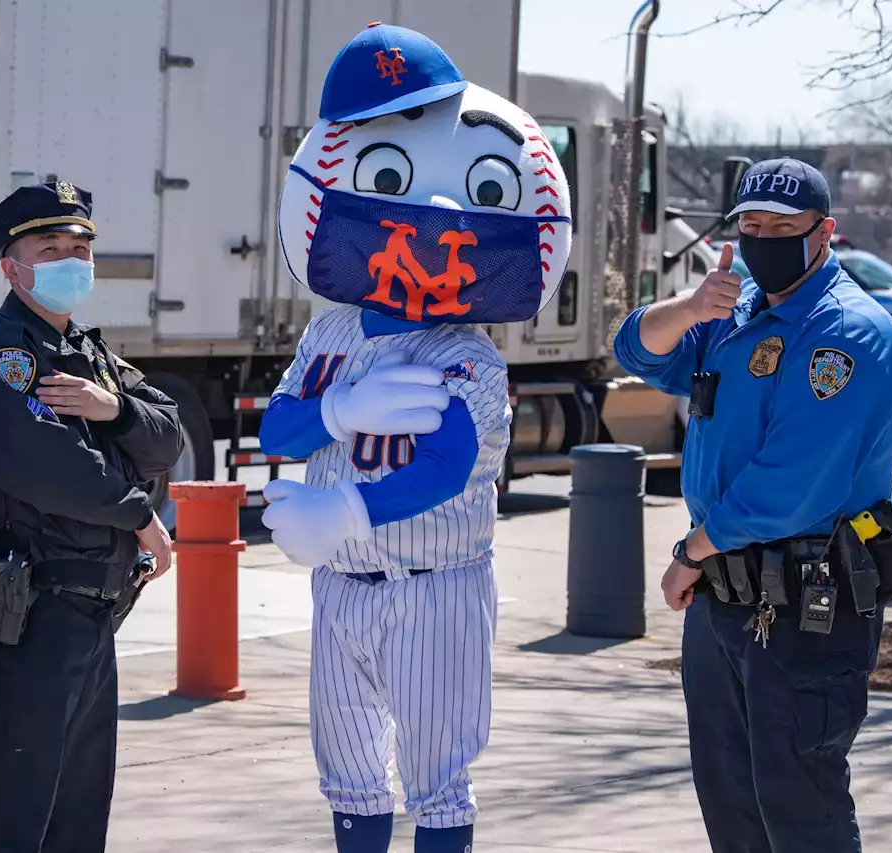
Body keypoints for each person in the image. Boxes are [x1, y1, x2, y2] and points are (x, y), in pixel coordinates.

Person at [258, 23, 573, 853]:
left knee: (437, 778)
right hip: (343, 585)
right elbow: (276, 426)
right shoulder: (329, 333)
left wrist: (351, 510)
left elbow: (451, 463)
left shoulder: (467, 351)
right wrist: (336, 412)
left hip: (435, 583)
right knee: (349, 764)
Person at [614, 157, 892, 852]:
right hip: (724, 598)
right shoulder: (734, 311)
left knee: (799, 807)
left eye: (784, 227)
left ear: (825, 232)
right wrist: (690, 307)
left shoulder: (848, 332)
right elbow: (639, 349)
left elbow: (791, 483)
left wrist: (691, 552)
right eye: (752, 225)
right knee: (733, 804)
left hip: (810, 602)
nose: (764, 238)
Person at [0, 180, 185, 852]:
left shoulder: (90, 357)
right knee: (9, 816)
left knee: (76, 818)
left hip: (88, 614)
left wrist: (116, 411)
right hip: (26, 612)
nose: (70, 259)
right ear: (11, 266)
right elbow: (50, 467)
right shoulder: (1, 358)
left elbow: (167, 437)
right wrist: (141, 513)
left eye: (80, 247)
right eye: (50, 247)